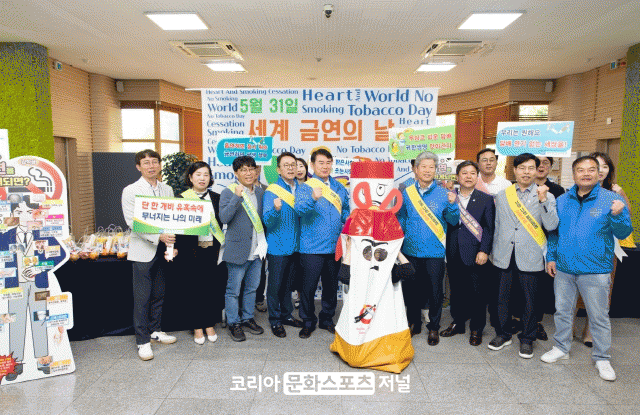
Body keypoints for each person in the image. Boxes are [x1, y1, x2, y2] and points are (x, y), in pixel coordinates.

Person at [542, 155, 633, 381]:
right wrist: (551, 257)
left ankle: (602, 358)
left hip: (596, 269)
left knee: (598, 316)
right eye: (580, 170)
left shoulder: (612, 199)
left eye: (591, 169)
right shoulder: (562, 200)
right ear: (574, 174)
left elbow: (623, 233)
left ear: (598, 173)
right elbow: (554, 232)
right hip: (564, 267)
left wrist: (618, 214)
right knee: (563, 311)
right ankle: (561, 347)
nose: (586, 174)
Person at [488, 153, 558, 359]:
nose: (526, 172)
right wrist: (494, 252)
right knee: (501, 299)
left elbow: (552, 225)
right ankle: (503, 334)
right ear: (515, 170)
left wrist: (543, 201)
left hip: (531, 255)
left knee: (530, 301)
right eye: (522, 168)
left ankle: (527, 338)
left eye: (530, 168)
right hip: (504, 255)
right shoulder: (503, 195)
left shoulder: (546, 196)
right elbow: (497, 225)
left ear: (537, 170)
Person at [397, 151, 459, 346]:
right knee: (411, 290)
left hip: (435, 252)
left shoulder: (444, 194)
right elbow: (401, 218)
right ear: (416, 169)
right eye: (423, 166)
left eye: (431, 167)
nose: (427, 170)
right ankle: (413, 323)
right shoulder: (407, 192)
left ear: (435, 170)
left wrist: (453, 205)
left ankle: (433, 327)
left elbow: (453, 221)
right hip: (410, 250)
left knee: (435, 292)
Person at [121, 149, 178, 361]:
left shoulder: (167, 189)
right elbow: (133, 223)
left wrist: (171, 245)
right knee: (142, 298)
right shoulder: (131, 190)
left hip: (163, 251)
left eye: (154, 162)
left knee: (159, 294)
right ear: (138, 167)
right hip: (142, 251)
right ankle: (142, 341)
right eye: (146, 163)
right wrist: (158, 237)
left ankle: (155, 331)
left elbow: (173, 218)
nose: (151, 166)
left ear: (160, 165)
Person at [3, 196, 67, 381]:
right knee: (15, 322)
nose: (24, 215)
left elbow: (61, 254)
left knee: (40, 319)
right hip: (14, 285)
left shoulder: (43, 233)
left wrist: (40, 267)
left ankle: (43, 360)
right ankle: (15, 364)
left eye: (29, 211)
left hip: (38, 284)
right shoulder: (5, 235)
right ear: (13, 214)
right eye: (19, 211)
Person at [575, 152, 636, 347]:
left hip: (605, 250)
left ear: (609, 170)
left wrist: (621, 196)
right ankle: (569, 328)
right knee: (574, 289)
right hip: (579, 248)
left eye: (604, 166)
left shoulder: (615, 191)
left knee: (601, 293)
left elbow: (626, 218)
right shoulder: (578, 189)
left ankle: (589, 331)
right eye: (596, 165)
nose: (600, 170)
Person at [295, 148, 350, 338]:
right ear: (312, 165)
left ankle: (327, 318)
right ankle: (308, 321)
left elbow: (346, 211)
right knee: (308, 288)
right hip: (311, 247)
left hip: (334, 246)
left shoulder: (339, 187)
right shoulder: (305, 187)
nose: (325, 166)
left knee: (331, 287)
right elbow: (299, 210)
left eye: (328, 163)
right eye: (321, 163)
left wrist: (348, 222)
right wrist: (313, 198)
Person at [441, 161, 495, 346]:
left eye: (472, 173)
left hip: (475, 253)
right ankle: (458, 322)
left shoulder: (485, 199)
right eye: (464, 173)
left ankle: (477, 328)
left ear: (477, 177)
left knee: (477, 292)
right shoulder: (449, 196)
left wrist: (484, 250)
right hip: (453, 251)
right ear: (457, 177)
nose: (468, 176)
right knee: (456, 290)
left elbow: (489, 228)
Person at [175, 161, 225, 345]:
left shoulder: (218, 198)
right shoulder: (181, 198)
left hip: (213, 250)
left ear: (210, 177)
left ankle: (209, 324)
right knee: (193, 289)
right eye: (198, 174)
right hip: (190, 251)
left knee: (211, 288)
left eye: (206, 174)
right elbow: (176, 227)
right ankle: (197, 326)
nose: (202, 178)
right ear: (190, 177)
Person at [219, 155, 266, 342]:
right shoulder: (228, 192)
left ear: (256, 171)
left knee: (252, 288)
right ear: (236, 173)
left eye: (251, 169)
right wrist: (236, 198)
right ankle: (234, 322)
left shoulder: (261, 193)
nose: (248, 173)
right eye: (243, 170)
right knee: (233, 290)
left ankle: (247, 318)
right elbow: (224, 218)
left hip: (257, 250)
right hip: (237, 250)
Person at [263, 152, 304, 337]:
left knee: (288, 285)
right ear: (278, 170)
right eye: (286, 165)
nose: (290, 168)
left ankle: (287, 315)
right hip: (278, 246)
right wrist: (276, 209)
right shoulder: (272, 191)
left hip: (296, 246)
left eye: (293, 164)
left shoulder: (301, 188)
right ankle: (275, 320)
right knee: (275, 286)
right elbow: (267, 220)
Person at [533, 155, 566, 341]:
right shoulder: (517, 188)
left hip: (545, 244)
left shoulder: (557, 190)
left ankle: (536, 322)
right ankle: (517, 319)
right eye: (537, 162)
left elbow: (557, 222)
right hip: (521, 244)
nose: (541, 165)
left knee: (541, 286)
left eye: (545, 162)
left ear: (551, 166)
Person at [253, 165, 269, 313]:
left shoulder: (267, 189)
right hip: (245, 235)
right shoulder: (238, 189)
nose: (255, 172)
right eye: (252, 168)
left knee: (261, 269)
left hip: (263, 234)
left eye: (258, 168)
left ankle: (259, 298)